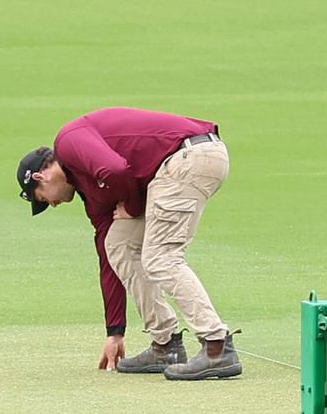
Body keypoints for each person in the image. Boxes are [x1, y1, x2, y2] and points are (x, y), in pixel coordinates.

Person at [16, 107, 242, 381]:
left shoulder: (68, 141)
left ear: (41, 178)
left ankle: (217, 346)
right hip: (182, 163)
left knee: (162, 257)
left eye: (42, 198)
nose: (51, 204)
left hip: (189, 157)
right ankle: (165, 344)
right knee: (119, 243)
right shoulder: (92, 194)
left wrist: (133, 207)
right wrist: (115, 331)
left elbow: (116, 169)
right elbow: (107, 255)